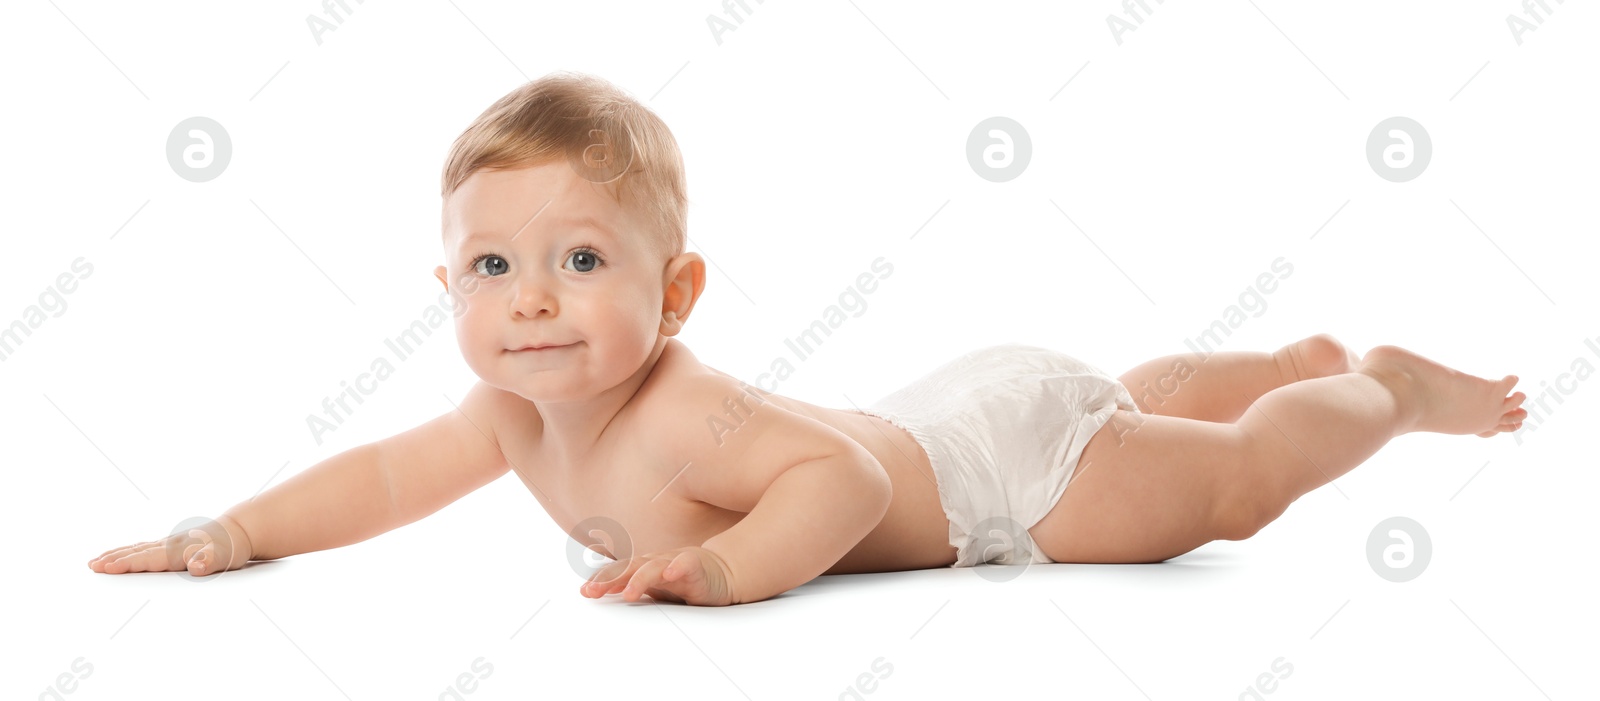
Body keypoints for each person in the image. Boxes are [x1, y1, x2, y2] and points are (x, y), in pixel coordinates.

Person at [87, 72, 1528, 606]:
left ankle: (1368, 391)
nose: (529, 296)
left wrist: (727, 566)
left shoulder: (691, 407)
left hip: (997, 480)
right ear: (449, 284)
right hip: (957, 406)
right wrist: (237, 530)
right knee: (1121, 399)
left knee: (1221, 488)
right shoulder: (515, 415)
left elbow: (835, 486)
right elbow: (386, 478)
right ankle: (1272, 362)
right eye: (491, 265)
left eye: (580, 259)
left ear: (677, 293)